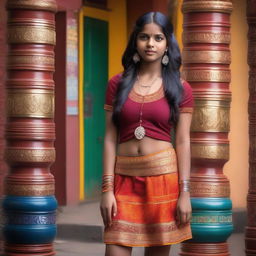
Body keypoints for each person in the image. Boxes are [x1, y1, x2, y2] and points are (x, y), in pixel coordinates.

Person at [100, 11, 193, 256]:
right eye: (144, 37)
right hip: (124, 181)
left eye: (158, 38)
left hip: (163, 183)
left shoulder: (180, 87)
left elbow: (183, 142)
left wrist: (185, 192)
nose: (150, 44)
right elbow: (110, 138)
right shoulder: (117, 84)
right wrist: (106, 189)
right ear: (135, 41)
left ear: (167, 44)